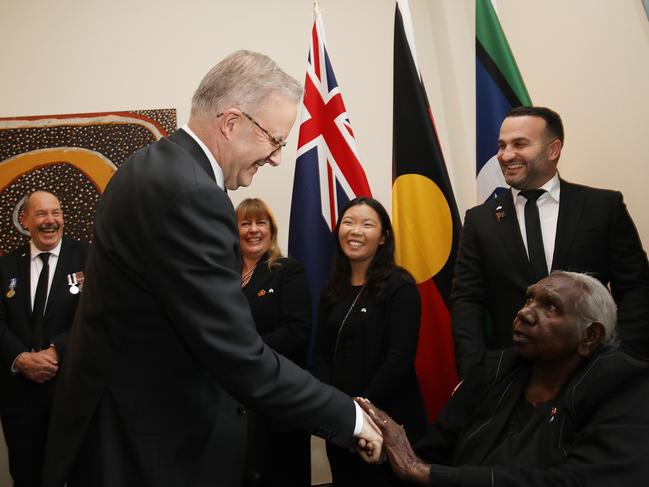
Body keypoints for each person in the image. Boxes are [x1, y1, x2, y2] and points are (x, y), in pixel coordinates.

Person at [41, 50, 381, 487]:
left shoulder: (150, 164)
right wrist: (349, 417)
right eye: (275, 141)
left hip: (120, 431)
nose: (278, 158)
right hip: (147, 449)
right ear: (232, 122)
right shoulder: (193, 195)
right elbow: (237, 353)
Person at [359, 271, 649, 486]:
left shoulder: (622, 386)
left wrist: (424, 472)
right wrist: (387, 450)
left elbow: (574, 482)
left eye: (550, 306)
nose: (525, 313)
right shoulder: (493, 370)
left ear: (590, 336)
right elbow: (431, 456)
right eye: (529, 299)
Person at [452, 106, 649, 377]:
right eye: (502, 145)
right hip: (509, 378)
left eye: (519, 144)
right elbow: (467, 300)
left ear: (553, 149)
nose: (506, 155)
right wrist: (475, 370)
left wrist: (624, 358)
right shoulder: (480, 220)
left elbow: (636, 288)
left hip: (591, 371)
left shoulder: (602, 207)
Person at [312, 196, 427, 487]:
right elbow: (321, 354)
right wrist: (336, 407)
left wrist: (361, 409)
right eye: (348, 223)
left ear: (383, 237)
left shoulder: (400, 286)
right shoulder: (333, 288)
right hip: (341, 421)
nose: (355, 231)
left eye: (367, 224)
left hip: (388, 417)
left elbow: (398, 361)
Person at [0, 190, 89, 487]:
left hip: (71, 394)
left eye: (56, 212)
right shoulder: (6, 266)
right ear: (24, 220)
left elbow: (96, 315)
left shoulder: (88, 258)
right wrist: (21, 358)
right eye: (41, 214)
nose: (51, 221)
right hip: (20, 401)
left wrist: (56, 350)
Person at [236, 197, 311, 487]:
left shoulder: (287, 271)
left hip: (280, 398)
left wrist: (245, 353)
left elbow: (296, 331)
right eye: (245, 223)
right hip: (237, 400)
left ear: (271, 230)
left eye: (260, 222)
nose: (253, 230)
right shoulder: (223, 276)